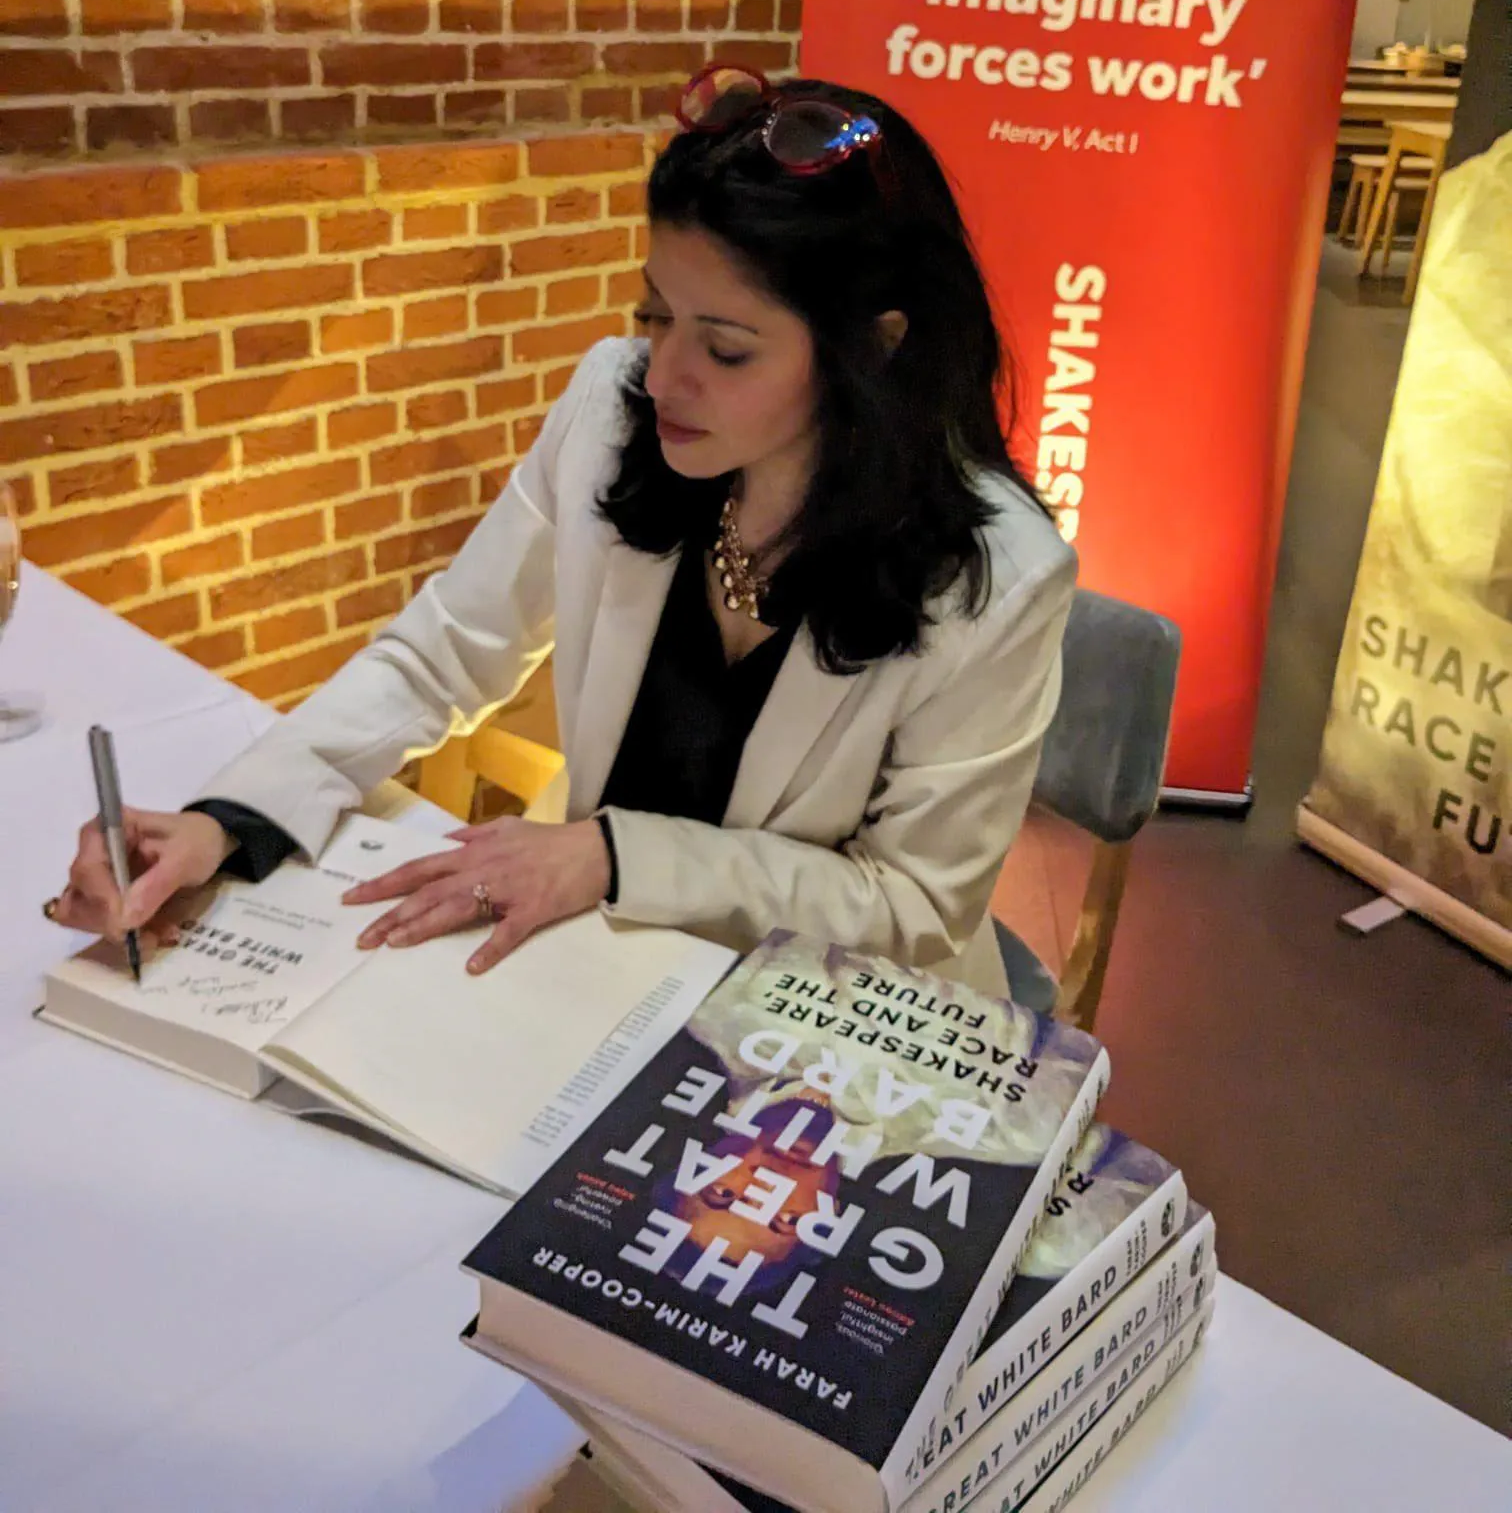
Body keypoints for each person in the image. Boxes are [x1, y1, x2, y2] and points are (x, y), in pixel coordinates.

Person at [49, 65, 1075, 993]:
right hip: (598, 975)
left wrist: (615, 856)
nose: (665, 375)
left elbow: (913, 905)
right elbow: (441, 653)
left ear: (873, 350)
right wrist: (227, 822)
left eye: (724, 348)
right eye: (654, 315)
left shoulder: (996, 581)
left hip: (824, 1024)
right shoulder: (611, 413)